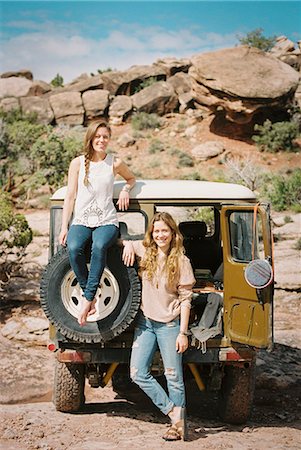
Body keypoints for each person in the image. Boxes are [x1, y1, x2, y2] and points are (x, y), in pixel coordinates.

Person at [122, 212, 195, 441]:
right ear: (151, 235)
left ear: (173, 233)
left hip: (170, 325)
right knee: (137, 372)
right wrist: (126, 245)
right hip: (146, 323)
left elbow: (185, 299)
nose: (160, 235)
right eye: (156, 231)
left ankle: (178, 425)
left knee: (173, 375)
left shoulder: (181, 261)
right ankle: (173, 411)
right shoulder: (146, 252)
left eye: (165, 231)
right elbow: (121, 240)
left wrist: (183, 333)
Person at [59, 119, 135, 326]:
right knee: (74, 248)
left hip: (107, 221)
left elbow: (131, 179)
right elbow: (70, 196)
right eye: (98, 136)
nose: (101, 140)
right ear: (91, 138)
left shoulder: (114, 163)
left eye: (105, 137)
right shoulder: (77, 163)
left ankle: (87, 300)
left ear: (109, 139)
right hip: (82, 219)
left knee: (99, 247)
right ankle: (89, 294)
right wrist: (64, 226)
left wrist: (126, 190)